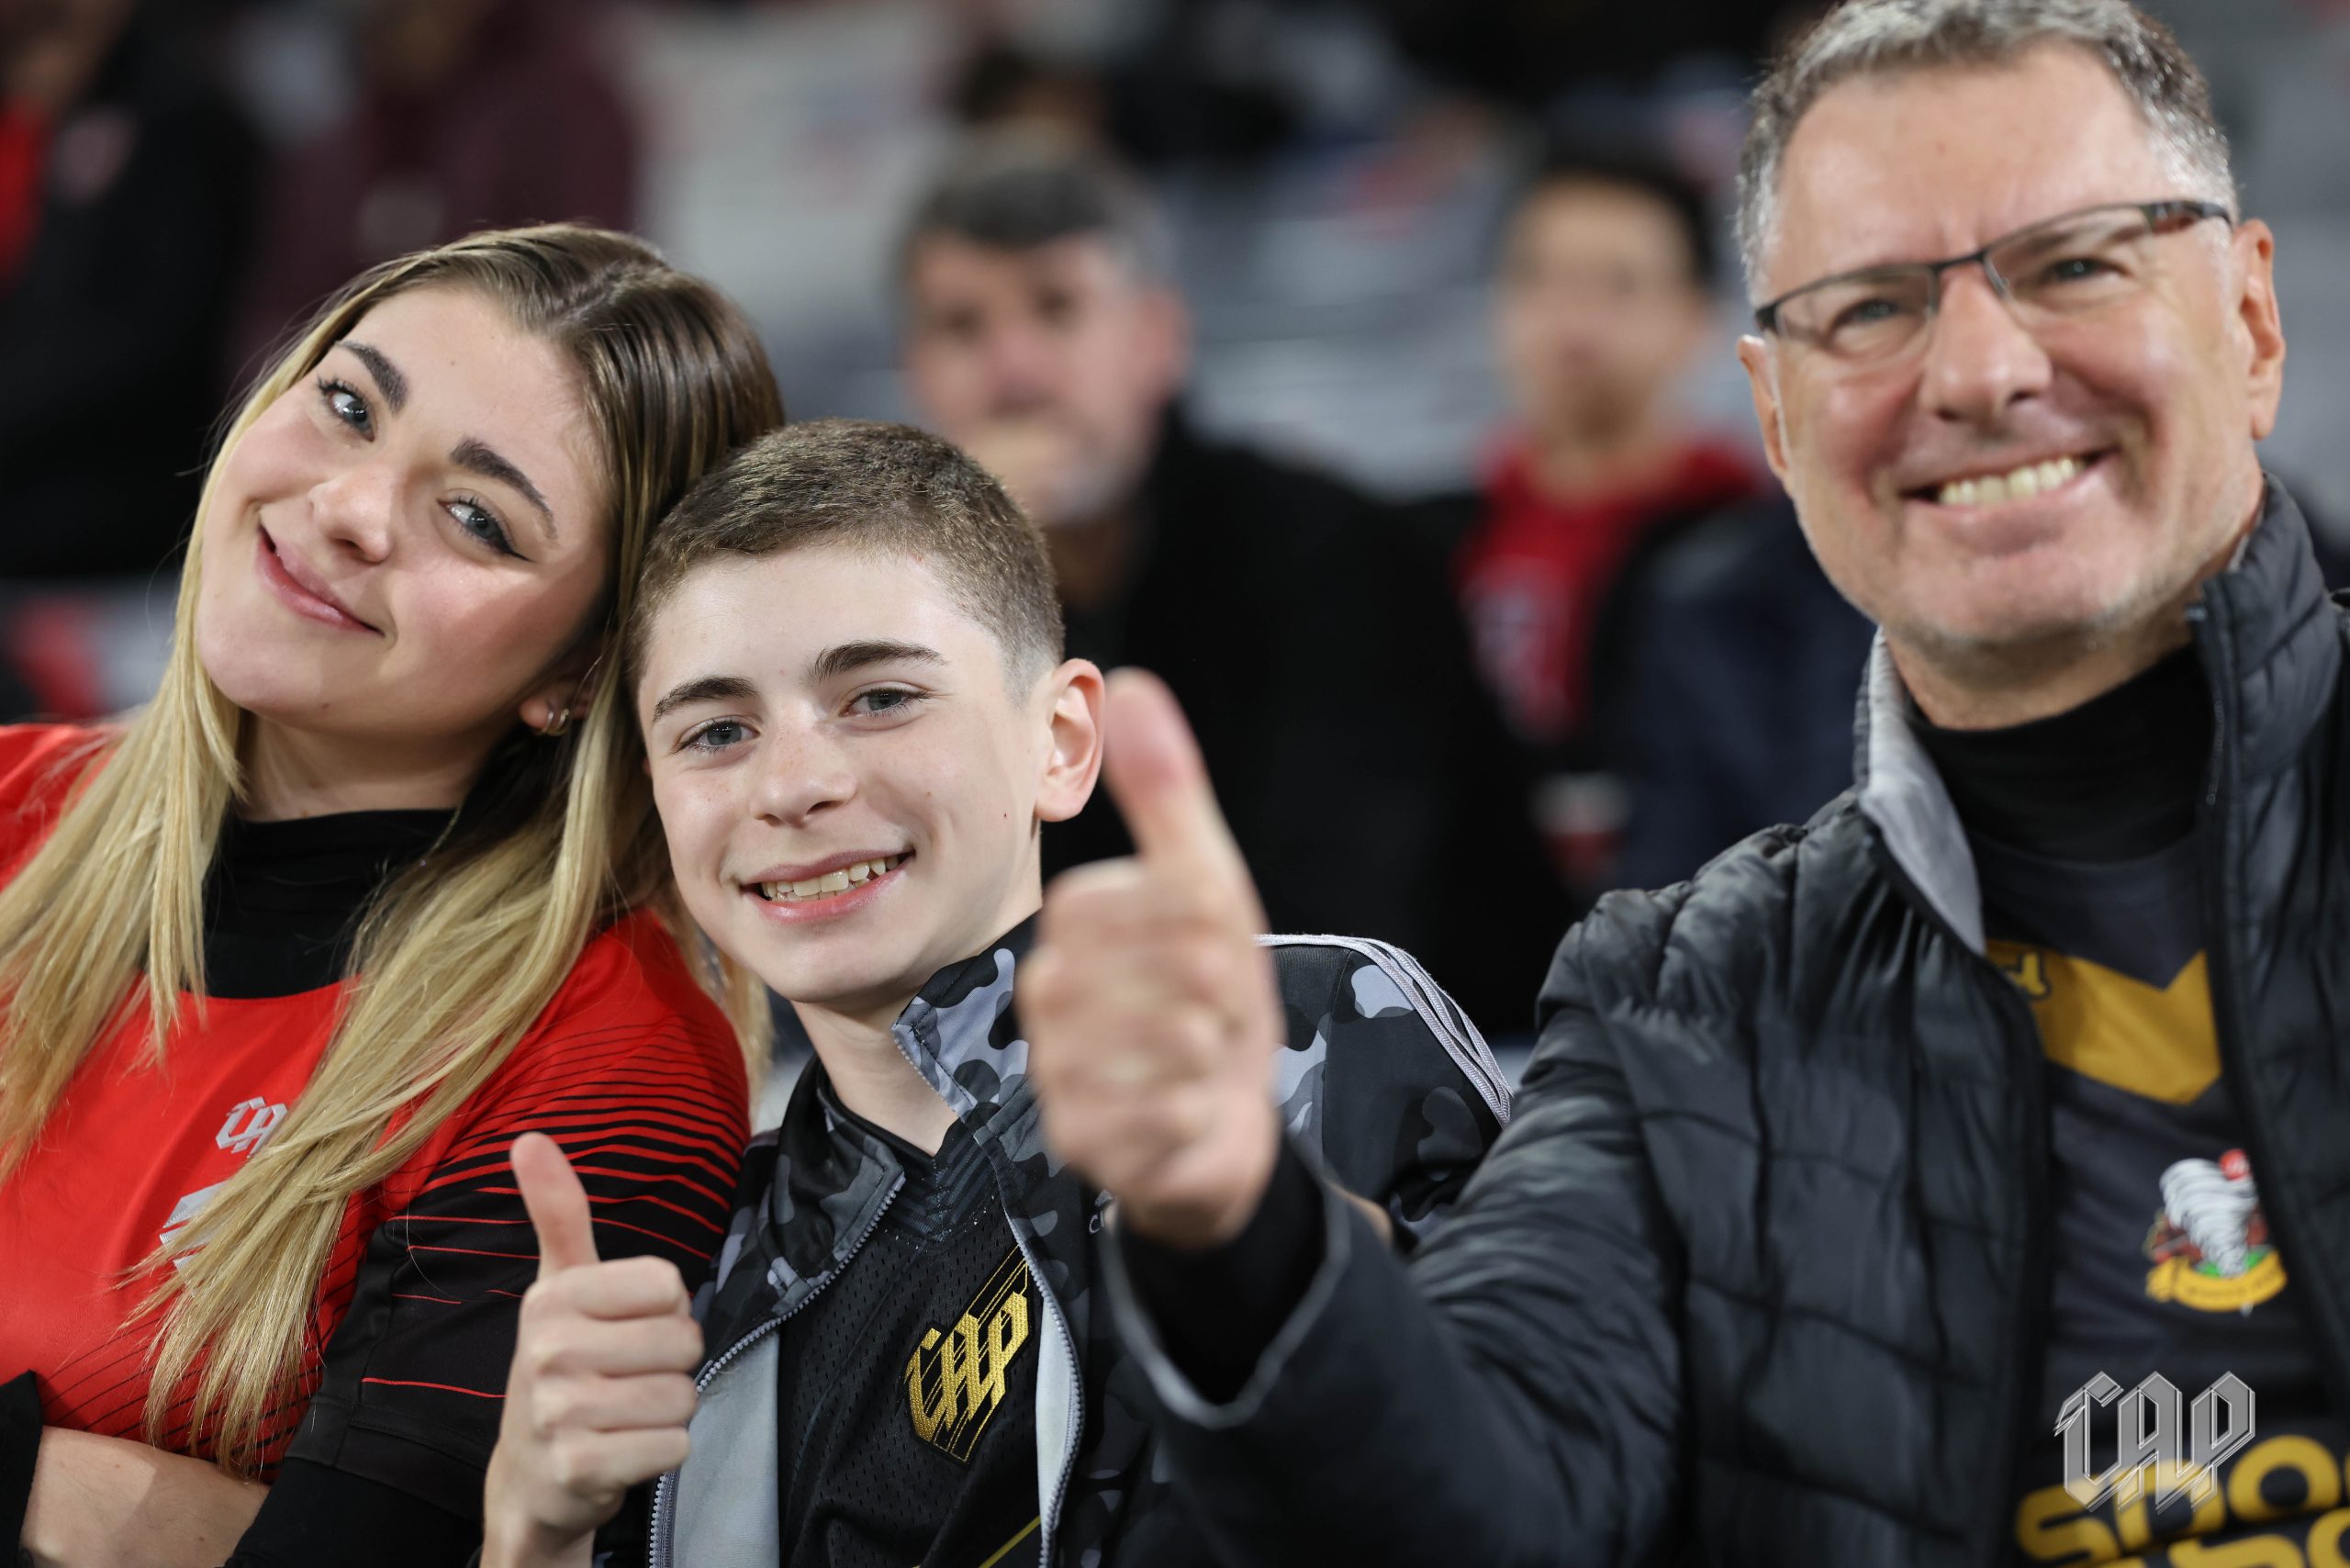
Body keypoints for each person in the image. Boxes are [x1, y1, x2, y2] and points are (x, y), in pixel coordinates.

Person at [1023, 2, 2350, 1563]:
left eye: (2073, 264)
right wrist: (1242, 1234)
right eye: (1873, 306)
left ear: (2252, 322)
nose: (1983, 371)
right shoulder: (1679, 1005)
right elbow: (1480, 1499)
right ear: (1776, 418)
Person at [473, 420, 1509, 1568]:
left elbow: (1543, 1491)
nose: (792, 785)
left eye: (878, 697)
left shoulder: (1309, 1031)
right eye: (717, 731)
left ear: (1059, 741)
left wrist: (1271, 1247)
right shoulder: (693, 1264)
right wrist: (533, 1533)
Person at [0, 223, 784, 1568]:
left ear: (583, 671)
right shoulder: (16, 799)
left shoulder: (611, 1066)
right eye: (350, 406)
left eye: (477, 518)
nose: (351, 509)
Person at [896, 128, 1566, 1038]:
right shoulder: (921, 603)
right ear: (917, 372)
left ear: (1156, 339)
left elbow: (1332, 947)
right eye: (963, 327)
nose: (1014, 372)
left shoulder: (1332, 552)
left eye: (1057, 309)